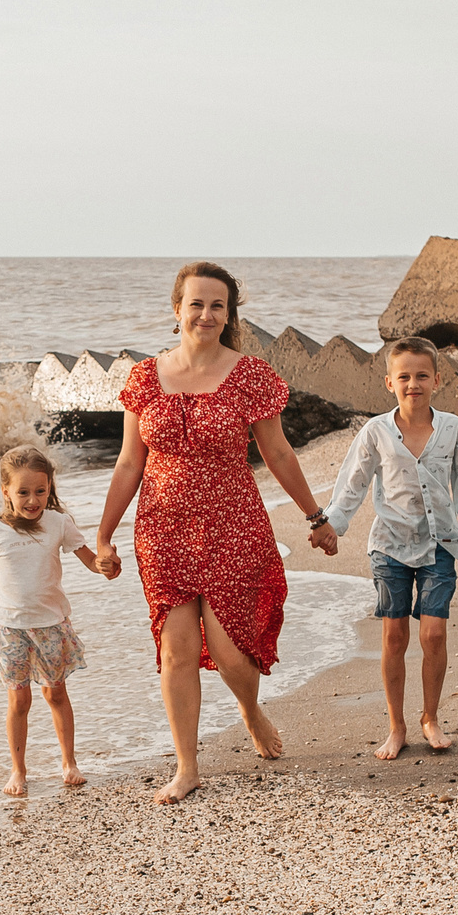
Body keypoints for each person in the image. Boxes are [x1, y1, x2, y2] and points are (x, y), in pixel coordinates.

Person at [93, 262, 339, 805]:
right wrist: (104, 534)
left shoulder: (249, 376)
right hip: (161, 530)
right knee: (176, 652)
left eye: (217, 306)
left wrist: (315, 516)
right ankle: (187, 766)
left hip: (234, 525)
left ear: (229, 314)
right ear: (177, 308)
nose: (206, 314)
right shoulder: (143, 378)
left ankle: (250, 710)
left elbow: (276, 452)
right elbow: (129, 463)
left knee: (231, 655)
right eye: (196, 303)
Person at [324, 336, 458, 759]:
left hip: (441, 544)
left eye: (421, 376)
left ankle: (430, 718)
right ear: (389, 383)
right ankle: (396, 727)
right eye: (404, 377)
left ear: (436, 379)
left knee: (433, 633)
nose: (412, 383)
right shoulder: (375, 431)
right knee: (395, 636)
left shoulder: (452, 428)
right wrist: (330, 526)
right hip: (389, 547)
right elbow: (353, 484)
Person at [0, 445, 114, 798]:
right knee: (19, 702)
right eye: (23, 492)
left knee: (56, 694)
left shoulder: (58, 523)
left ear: (50, 487)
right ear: (6, 491)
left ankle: (69, 762)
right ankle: (18, 769)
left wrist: (106, 564)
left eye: (40, 491)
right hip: (10, 629)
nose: (32, 500)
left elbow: (89, 560)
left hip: (51, 625)